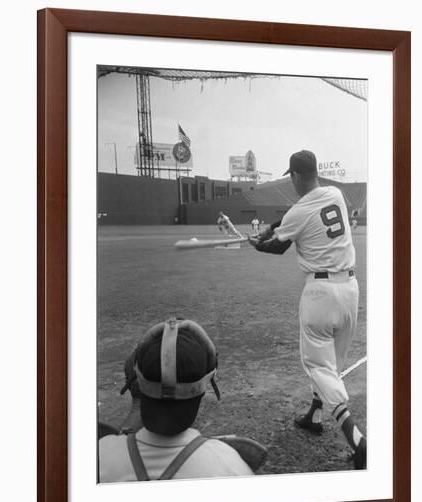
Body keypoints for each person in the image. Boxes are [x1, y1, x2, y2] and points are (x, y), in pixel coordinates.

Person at [248, 150, 366, 470]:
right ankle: (314, 415)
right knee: (333, 365)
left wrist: (258, 243)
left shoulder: (298, 211)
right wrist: (271, 227)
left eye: (291, 176)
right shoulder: (334, 193)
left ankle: (357, 440)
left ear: (297, 175)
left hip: (320, 295)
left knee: (319, 367)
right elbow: (293, 217)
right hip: (350, 291)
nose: (292, 181)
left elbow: (279, 245)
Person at [99, 317, 254, 482]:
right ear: (206, 384)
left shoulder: (100, 455)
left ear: (136, 380)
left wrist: (137, 402)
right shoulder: (230, 466)